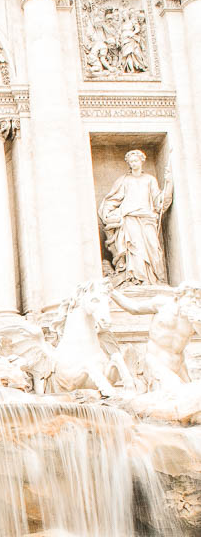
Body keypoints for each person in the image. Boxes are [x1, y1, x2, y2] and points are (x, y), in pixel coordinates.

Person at [98, 149, 173, 286]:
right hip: (129, 218)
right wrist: (108, 213)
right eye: (131, 161)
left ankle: (154, 280)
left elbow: (159, 202)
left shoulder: (150, 179)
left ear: (141, 161)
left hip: (147, 218)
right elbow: (112, 199)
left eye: (136, 160)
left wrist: (169, 185)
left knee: (153, 249)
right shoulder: (124, 180)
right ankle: (137, 280)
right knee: (134, 249)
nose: (133, 163)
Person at [111, 282, 201, 391]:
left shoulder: (195, 315)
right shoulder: (162, 303)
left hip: (179, 365)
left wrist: (198, 322)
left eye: (197, 299)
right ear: (179, 295)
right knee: (175, 394)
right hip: (156, 360)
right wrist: (112, 292)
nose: (194, 302)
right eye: (191, 297)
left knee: (193, 398)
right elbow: (134, 308)